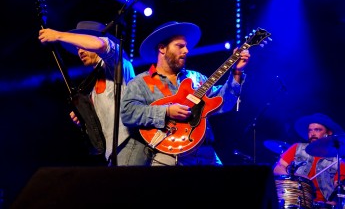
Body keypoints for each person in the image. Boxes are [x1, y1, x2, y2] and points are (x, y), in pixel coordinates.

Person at [120, 21, 251, 166]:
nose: (186, 50)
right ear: (162, 48)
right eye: (180, 46)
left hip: (206, 154)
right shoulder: (141, 82)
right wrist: (166, 111)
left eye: (186, 46)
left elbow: (224, 105)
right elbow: (127, 113)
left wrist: (237, 72)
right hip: (168, 155)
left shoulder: (197, 78)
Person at [38, 21, 150, 166]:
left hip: (130, 142)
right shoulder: (94, 82)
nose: (80, 51)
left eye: (83, 45)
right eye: (78, 48)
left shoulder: (117, 62)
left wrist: (58, 35)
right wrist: (85, 118)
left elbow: (101, 45)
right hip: (113, 151)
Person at [273, 113, 345, 208]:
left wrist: (335, 201)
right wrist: (295, 177)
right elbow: (277, 169)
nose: (312, 133)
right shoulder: (297, 148)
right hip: (294, 201)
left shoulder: (338, 159)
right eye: (310, 130)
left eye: (317, 130)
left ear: (329, 133)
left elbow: (339, 187)